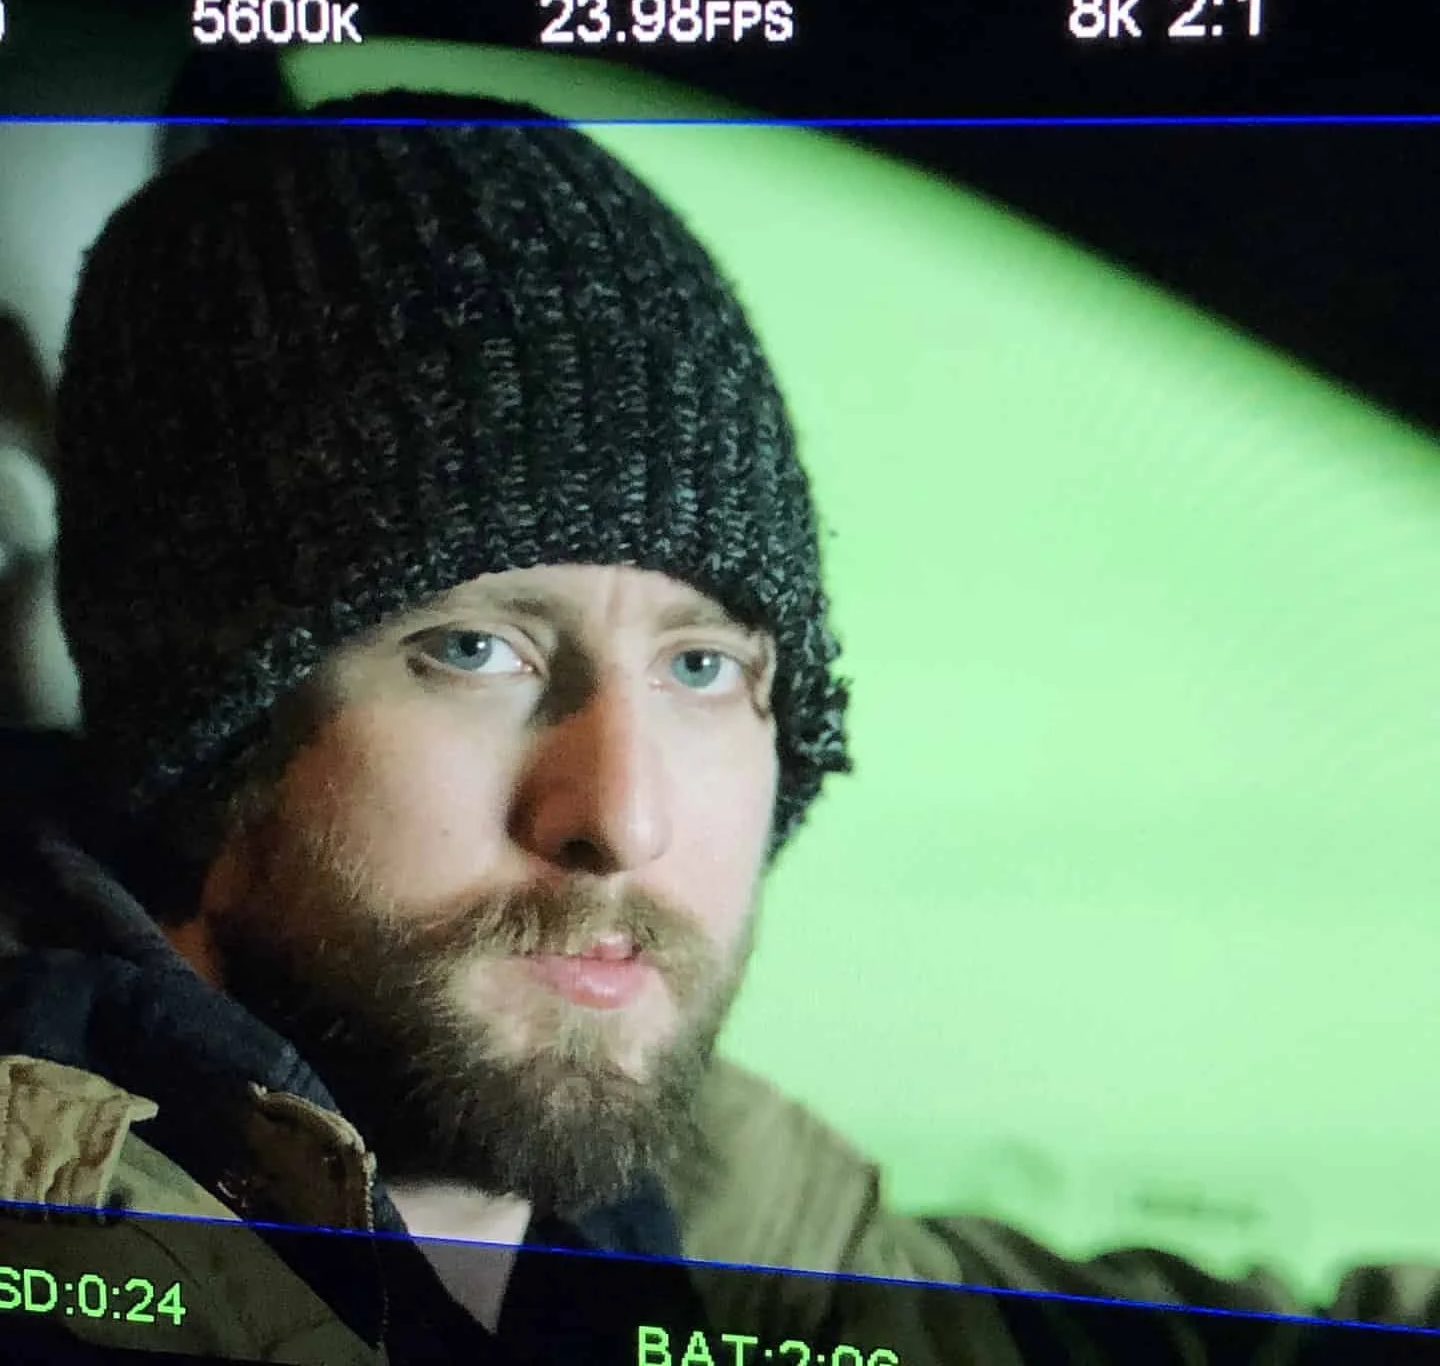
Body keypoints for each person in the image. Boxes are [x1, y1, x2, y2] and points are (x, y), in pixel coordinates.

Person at [1, 89, 1438, 1365]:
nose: (623, 814)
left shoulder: (739, 1238)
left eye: (701, 667)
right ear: (207, 739)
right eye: (475, 649)